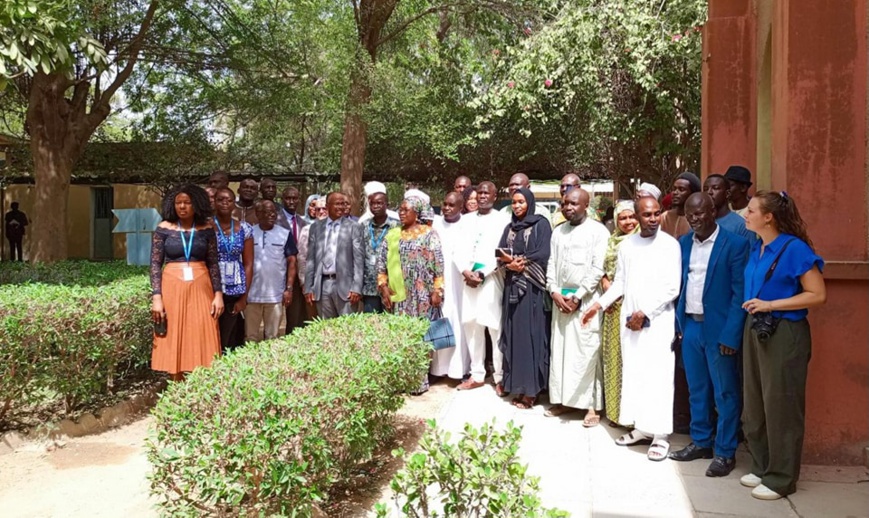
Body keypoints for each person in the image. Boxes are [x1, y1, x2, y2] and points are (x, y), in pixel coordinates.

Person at [739, 191, 826, 500]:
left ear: (768, 217)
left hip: (784, 331)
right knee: (756, 402)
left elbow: (817, 294)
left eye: (750, 210)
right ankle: (763, 466)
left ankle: (781, 478)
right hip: (757, 328)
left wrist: (771, 304)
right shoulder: (758, 247)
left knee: (782, 405)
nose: (744, 214)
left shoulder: (794, 249)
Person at [582, 196, 681, 461]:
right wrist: (598, 306)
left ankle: (660, 435)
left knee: (658, 377)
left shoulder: (670, 245)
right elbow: (620, 283)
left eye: (656, 214)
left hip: (657, 323)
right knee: (634, 374)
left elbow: (672, 286)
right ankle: (641, 427)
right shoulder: (628, 246)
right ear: (636, 216)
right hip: (630, 323)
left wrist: (645, 312)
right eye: (646, 215)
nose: (652, 219)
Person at [669, 193, 750, 478]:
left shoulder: (735, 245)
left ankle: (725, 451)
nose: (694, 219)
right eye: (690, 215)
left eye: (700, 214)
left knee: (725, 392)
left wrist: (731, 335)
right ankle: (701, 441)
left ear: (713, 211)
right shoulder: (683, 244)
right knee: (697, 389)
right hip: (691, 327)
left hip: (719, 331)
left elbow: (740, 293)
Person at [545, 189, 610, 425]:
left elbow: (597, 268)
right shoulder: (558, 231)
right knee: (561, 351)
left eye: (573, 203)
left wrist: (578, 296)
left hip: (586, 303)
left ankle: (591, 406)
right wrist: (553, 290)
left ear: (586, 205)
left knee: (587, 352)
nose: (568, 207)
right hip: (560, 301)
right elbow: (551, 263)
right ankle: (563, 400)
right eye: (565, 204)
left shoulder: (598, 231)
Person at [150, 184, 223, 381]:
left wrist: (218, 295)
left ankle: (201, 384)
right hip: (172, 286)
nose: (182, 207)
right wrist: (157, 297)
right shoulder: (163, 229)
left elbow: (214, 263)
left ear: (196, 204)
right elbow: (155, 264)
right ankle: (176, 383)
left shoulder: (207, 229)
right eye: (178, 203)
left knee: (202, 331)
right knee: (174, 333)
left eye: (187, 203)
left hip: (202, 286)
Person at [377, 195, 445, 395]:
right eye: (400, 209)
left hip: (422, 295)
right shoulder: (392, 234)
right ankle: (401, 380)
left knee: (421, 336)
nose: (401, 212)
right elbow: (381, 264)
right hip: (399, 296)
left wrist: (437, 290)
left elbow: (438, 266)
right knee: (400, 337)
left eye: (406, 209)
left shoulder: (429, 234)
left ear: (417, 213)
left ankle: (419, 381)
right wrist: (383, 287)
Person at [497, 188, 553, 410]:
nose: (517, 206)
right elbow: (500, 252)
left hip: (532, 290)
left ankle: (532, 390)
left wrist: (522, 262)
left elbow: (544, 253)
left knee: (532, 337)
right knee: (514, 337)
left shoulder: (540, 224)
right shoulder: (509, 228)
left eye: (521, 202)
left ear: (530, 203)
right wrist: (509, 264)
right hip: (512, 288)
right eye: (514, 202)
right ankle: (516, 386)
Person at [454, 181, 511, 392]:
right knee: (472, 326)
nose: (482, 196)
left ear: (495, 196)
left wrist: (482, 273)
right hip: (468, 280)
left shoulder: (503, 220)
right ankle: (476, 374)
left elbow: (502, 252)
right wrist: (464, 271)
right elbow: (457, 249)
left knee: (494, 328)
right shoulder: (465, 220)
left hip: (491, 279)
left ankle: (499, 377)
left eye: (487, 193)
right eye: (479, 193)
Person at [600, 200, 638, 426]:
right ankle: (615, 413)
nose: (628, 222)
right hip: (613, 308)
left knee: (631, 360)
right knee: (614, 359)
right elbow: (604, 270)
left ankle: (633, 416)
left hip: (633, 307)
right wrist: (605, 282)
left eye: (632, 217)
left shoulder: (643, 240)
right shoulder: (612, 240)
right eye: (622, 218)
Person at [304, 192, 364, 318]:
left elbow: (358, 260)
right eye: (337, 204)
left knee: (347, 329)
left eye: (343, 204)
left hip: (346, 286)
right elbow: (310, 260)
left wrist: (356, 287)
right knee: (326, 330)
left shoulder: (354, 227)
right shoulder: (315, 227)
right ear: (327, 206)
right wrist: (308, 287)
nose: (341, 207)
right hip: (322, 286)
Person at [245, 200, 297, 341]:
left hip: (275, 295)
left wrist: (289, 289)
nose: (271, 215)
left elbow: (292, 262)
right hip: (251, 295)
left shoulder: (285, 234)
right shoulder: (248, 233)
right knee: (250, 337)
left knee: (272, 337)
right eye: (267, 212)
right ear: (257, 214)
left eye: (274, 212)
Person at [431, 192, 469, 380]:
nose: (446, 208)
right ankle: (439, 370)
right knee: (441, 321)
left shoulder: (467, 225)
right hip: (440, 282)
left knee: (460, 324)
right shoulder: (436, 224)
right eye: (444, 204)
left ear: (461, 207)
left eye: (451, 205)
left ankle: (459, 369)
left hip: (461, 285)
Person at [212, 187, 254, 352]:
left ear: (234, 204)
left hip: (234, 291)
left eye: (229, 200)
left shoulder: (244, 229)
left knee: (229, 338)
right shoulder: (207, 227)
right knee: (211, 335)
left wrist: (244, 297)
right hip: (211, 290)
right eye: (220, 199)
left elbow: (249, 263)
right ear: (214, 202)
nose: (225, 203)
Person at [276, 186, 308, 334]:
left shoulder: (303, 223)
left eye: (294, 198)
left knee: (297, 313)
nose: (291, 201)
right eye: (288, 198)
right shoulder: (275, 219)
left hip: (298, 272)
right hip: (280, 270)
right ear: (282, 200)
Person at [361, 190, 399, 313]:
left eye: (379, 203)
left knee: (390, 325)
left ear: (387, 205)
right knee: (371, 325)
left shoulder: (396, 226)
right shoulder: (363, 226)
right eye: (372, 203)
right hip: (369, 286)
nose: (375, 206)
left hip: (390, 286)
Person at [704, 174, 754, 241]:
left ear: (727, 194)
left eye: (715, 188)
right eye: (705, 189)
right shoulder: (700, 223)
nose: (709, 192)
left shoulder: (742, 226)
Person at [661, 172, 701, 239]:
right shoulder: (665, 217)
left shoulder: (698, 219)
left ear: (692, 193)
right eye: (674, 189)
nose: (675, 193)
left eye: (681, 189)